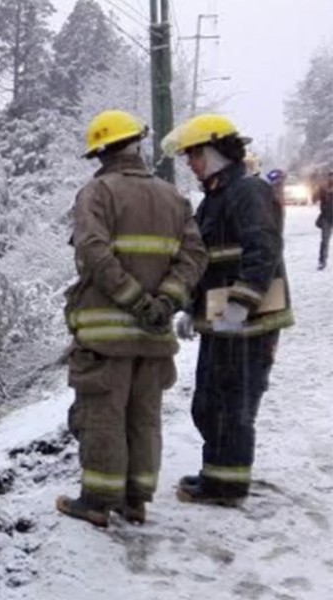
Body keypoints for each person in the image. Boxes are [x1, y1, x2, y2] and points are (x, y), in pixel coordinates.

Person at [57, 110, 207, 527]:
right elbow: (194, 256)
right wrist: (165, 301)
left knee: (103, 414)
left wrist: (135, 300)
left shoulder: (97, 193)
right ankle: (136, 500)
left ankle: (97, 501)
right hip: (154, 336)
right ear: (137, 144)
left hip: (106, 337)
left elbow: (93, 252)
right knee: (144, 417)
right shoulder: (173, 197)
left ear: (101, 151)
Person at [166, 114, 295, 507]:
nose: (190, 163)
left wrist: (241, 303)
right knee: (210, 401)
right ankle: (216, 473)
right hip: (223, 318)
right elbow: (208, 263)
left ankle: (227, 486)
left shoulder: (248, 191)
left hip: (250, 320)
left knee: (233, 403)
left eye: (194, 155)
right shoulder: (215, 199)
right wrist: (192, 308)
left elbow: (263, 251)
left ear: (216, 151)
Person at [318, 171, 333, 270]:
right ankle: (322, 260)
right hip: (326, 217)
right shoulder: (323, 189)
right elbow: (316, 198)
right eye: (330, 177)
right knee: (325, 240)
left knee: (325, 240)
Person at [266, 169, 287, 234]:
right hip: (274, 205)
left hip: (278, 205)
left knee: (278, 221)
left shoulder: (279, 184)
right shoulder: (272, 185)